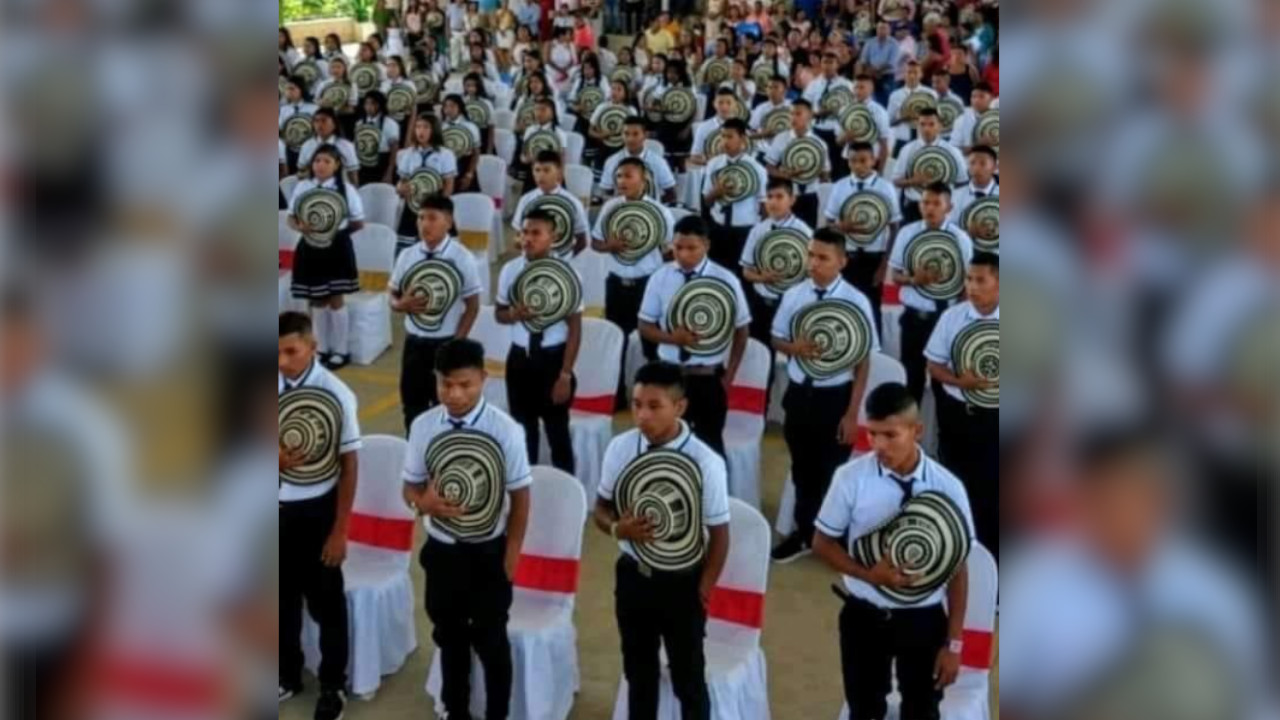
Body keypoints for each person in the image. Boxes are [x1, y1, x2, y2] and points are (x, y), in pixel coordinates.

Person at [812, 382, 974, 720]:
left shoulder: (948, 486)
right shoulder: (850, 478)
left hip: (924, 619)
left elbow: (958, 569)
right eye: (872, 434)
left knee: (922, 710)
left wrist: (954, 644)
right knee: (864, 709)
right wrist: (868, 575)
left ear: (917, 431)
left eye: (890, 435)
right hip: (864, 614)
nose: (878, 445)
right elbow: (822, 542)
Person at [402, 338, 532, 720]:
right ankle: (455, 710)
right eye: (446, 384)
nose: (455, 394)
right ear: (436, 380)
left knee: (492, 642)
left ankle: (497, 714)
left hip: (489, 552)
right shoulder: (424, 426)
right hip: (442, 551)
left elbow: (521, 496)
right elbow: (409, 486)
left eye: (465, 384)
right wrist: (421, 504)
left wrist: (512, 554)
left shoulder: (506, 430)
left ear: (483, 379)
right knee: (450, 637)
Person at [593, 361, 731, 720]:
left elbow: (720, 533)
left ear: (679, 407)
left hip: (683, 582)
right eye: (637, 404)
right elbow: (600, 508)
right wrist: (616, 529)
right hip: (633, 576)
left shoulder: (706, 462)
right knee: (638, 674)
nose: (642, 415)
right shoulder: (621, 448)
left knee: (688, 679)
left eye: (655, 406)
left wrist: (703, 589)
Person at [769, 229, 877, 562]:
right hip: (800, 394)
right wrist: (793, 348)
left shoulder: (856, 301)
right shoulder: (794, 294)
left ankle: (832, 536)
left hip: (835, 397)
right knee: (802, 469)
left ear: (842, 261)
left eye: (823, 258)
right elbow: (776, 338)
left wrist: (852, 413)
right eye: (811, 255)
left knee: (831, 471)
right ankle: (804, 533)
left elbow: (863, 362)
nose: (814, 263)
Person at [278, 311, 360, 720]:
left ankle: (332, 685)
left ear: (312, 347)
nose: (282, 361)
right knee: (280, 598)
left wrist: (340, 530)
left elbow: (349, 465)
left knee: (326, 603)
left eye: (291, 351)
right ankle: (286, 673)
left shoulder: (337, 394)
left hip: (317, 510)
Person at [638, 216, 751, 457]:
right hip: (669, 376)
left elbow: (742, 329)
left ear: (706, 245)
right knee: (664, 444)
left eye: (691, 248)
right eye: (678, 247)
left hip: (708, 377)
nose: (683, 254)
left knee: (710, 449)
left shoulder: (726, 279)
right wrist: (673, 339)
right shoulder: (660, 277)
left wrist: (729, 376)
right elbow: (645, 325)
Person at [496, 209, 583, 473]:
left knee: (558, 433)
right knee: (523, 434)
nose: (528, 239)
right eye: (524, 232)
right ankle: (527, 489)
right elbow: (499, 314)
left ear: (553, 237)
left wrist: (565, 375)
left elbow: (575, 328)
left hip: (552, 360)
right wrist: (514, 315)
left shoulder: (568, 274)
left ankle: (566, 488)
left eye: (536, 233)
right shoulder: (510, 270)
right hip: (520, 359)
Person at [388, 195, 483, 431]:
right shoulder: (408, 255)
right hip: (414, 343)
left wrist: (456, 343)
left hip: (445, 342)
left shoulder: (462, 257)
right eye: (420, 218)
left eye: (432, 218)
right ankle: (416, 448)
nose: (424, 224)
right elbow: (392, 294)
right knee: (412, 405)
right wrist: (400, 305)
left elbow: (472, 305)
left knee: (448, 407)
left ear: (448, 222)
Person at [925, 252, 998, 557]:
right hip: (959, 418)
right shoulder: (952, 317)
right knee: (957, 486)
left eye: (980, 280)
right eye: (969, 279)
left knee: (995, 491)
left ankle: (992, 561)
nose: (972, 286)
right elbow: (934, 365)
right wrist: (959, 382)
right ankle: (958, 554)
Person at [593, 157, 676, 393]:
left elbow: (671, 253)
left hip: (647, 285)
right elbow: (595, 243)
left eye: (628, 176)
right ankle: (616, 392)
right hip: (616, 284)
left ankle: (656, 391)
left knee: (652, 343)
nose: (622, 181)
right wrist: (610, 246)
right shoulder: (610, 208)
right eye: (619, 176)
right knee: (616, 340)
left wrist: (647, 246)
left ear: (643, 179)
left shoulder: (660, 212)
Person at [889, 182, 974, 404]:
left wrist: (957, 318)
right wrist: (913, 280)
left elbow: (968, 283)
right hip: (913, 318)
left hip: (944, 318)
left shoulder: (960, 239)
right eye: (925, 202)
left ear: (949, 207)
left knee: (943, 382)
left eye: (937, 203)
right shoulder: (907, 233)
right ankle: (910, 424)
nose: (930, 208)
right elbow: (895, 275)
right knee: (911, 378)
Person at [287, 145, 366, 370]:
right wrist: (300, 227)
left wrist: (333, 233)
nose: (320, 165)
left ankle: (341, 350)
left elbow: (358, 222)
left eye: (326, 161)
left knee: (336, 298)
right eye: (317, 161)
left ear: (337, 165)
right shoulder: (303, 186)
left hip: (337, 247)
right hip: (310, 247)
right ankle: (321, 348)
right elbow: (291, 217)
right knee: (317, 298)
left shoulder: (346, 189)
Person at [824, 141, 901, 334]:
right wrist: (841, 227)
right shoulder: (840, 186)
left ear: (874, 161)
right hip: (846, 257)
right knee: (845, 308)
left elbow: (894, 227)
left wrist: (884, 265)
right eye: (853, 161)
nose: (858, 165)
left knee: (872, 308)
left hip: (874, 257)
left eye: (863, 160)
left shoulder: (885, 188)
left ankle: (876, 349)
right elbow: (828, 224)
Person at [739, 178, 812, 349]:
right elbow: (746, 271)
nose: (773, 202)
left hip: (793, 305)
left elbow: (812, 272)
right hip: (763, 304)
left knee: (793, 350)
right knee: (761, 349)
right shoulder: (757, 231)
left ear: (792, 200)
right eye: (769, 197)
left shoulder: (804, 232)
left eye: (779, 197)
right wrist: (762, 278)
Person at [701, 118, 768, 274]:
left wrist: (761, 233)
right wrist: (716, 192)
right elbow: (706, 202)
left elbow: (764, 205)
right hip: (718, 228)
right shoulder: (713, 164)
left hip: (745, 230)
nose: (725, 141)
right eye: (723, 136)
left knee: (742, 274)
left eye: (730, 137)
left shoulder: (756, 168)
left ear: (742, 139)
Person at [892, 108, 967, 224]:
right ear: (917, 126)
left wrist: (945, 185)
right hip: (914, 207)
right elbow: (896, 181)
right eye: (922, 124)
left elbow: (962, 182)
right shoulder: (907, 150)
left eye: (931, 124)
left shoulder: (952, 151)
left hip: (942, 208)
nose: (926, 129)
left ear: (940, 126)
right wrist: (913, 181)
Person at [511, 151, 591, 258]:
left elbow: (582, 238)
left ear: (559, 172)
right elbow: (517, 236)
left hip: (564, 260)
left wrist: (573, 261)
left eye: (546, 170)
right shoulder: (526, 200)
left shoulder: (573, 202)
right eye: (537, 170)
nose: (541, 175)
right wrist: (524, 242)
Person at [764, 99, 830, 227]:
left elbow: (825, 174)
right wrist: (784, 175)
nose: (793, 117)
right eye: (791, 114)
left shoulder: (820, 144)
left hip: (810, 196)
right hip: (787, 195)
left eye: (798, 114)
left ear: (809, 116)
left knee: (808, 233)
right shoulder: (781, 138)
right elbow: (769, 167)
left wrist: (813, 169)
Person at [599, 117, 677, 203]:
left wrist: (653, 204)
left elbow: (671, 194)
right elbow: (606, 192)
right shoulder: (612, 161)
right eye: (626, 134)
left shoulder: (658, 162)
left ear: (645, 135)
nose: (630, 139)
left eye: (635, 134)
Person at [839, 74, 892, 174]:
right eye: (856, 87)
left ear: (871, 89)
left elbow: (884, 144)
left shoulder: (880, 112)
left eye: (862, 87)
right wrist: (845, 137)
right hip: (848, 159)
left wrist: (881, 171)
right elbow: (838, 141)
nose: (858, 91)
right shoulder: (845, 110)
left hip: (870, 161)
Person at [948, 145, 999, 243]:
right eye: (972, 163)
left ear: (995, 167)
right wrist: (966, 233)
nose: (976, 168)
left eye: (982, 163)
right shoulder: (955, 196)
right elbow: (949, 228)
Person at [887, 60, 938, 157]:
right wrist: (902, 117)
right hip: (902, 140)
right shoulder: (895, 95)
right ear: (904, 74)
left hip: (924, 140)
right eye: (909, 72)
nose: (912, 76)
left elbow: (937, 119)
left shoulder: (931, 94)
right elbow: (889, 122)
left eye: (915, 72)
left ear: (921, 74)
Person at [297, 108, 359, 185]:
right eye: (316, 121)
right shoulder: (307, 145)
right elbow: (301, 172)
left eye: (324, 121)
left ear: (334, 124)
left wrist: (354, 189)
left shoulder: (346, 146)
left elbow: (352, 174)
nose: (319, 125)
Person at [355, 90, 402, 185]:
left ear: (380, 105)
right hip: (364, 164)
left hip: (382, 162)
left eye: (373, 103)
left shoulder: (390, 124)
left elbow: (394, 150)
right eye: (367, 103)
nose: (369, 107)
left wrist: (389, 172)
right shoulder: (359, 124)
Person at [440, 94, 482, 192]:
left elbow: (476, 153)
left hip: (464, 164)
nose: (448, 109)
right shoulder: (442, 126)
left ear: (460, 107)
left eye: (452, 106)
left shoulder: (470, 127)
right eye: (446, 106)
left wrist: (469, 174)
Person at [688, 88, 740, 167]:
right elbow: (694, 157)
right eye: (720, 103)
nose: (724, 107)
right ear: (714, 104)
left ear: (736, 104)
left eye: (729, 103)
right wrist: (709, 161)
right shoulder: (703, 127)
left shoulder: (743, 127)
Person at [859, 20, 900, 105]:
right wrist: (872, 71)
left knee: (887, 100)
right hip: (871, 75)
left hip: (887, 76)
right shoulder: (870, 42)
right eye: (880, 28)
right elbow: (864, 60)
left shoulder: (894, 44)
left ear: (889, 30)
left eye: (884, 28)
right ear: (877, 30)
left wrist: (877, 71)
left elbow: (891, 63)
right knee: (870, 100)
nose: (882, 30)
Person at [949, 81, 995, 153]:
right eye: (974, 97)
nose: (976, 100)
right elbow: (953, 150)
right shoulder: (961, 120)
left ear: (991, 98)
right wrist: (976, 145)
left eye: (981, 96)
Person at [747, 74, 792, 146]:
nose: (772, 91)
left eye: (776, 87)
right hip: (766, 146)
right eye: (769, 87)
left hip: (789, 144)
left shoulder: (792, 106)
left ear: (785, 90)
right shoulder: (761, 108)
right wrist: (763, 133)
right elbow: (751, 131)